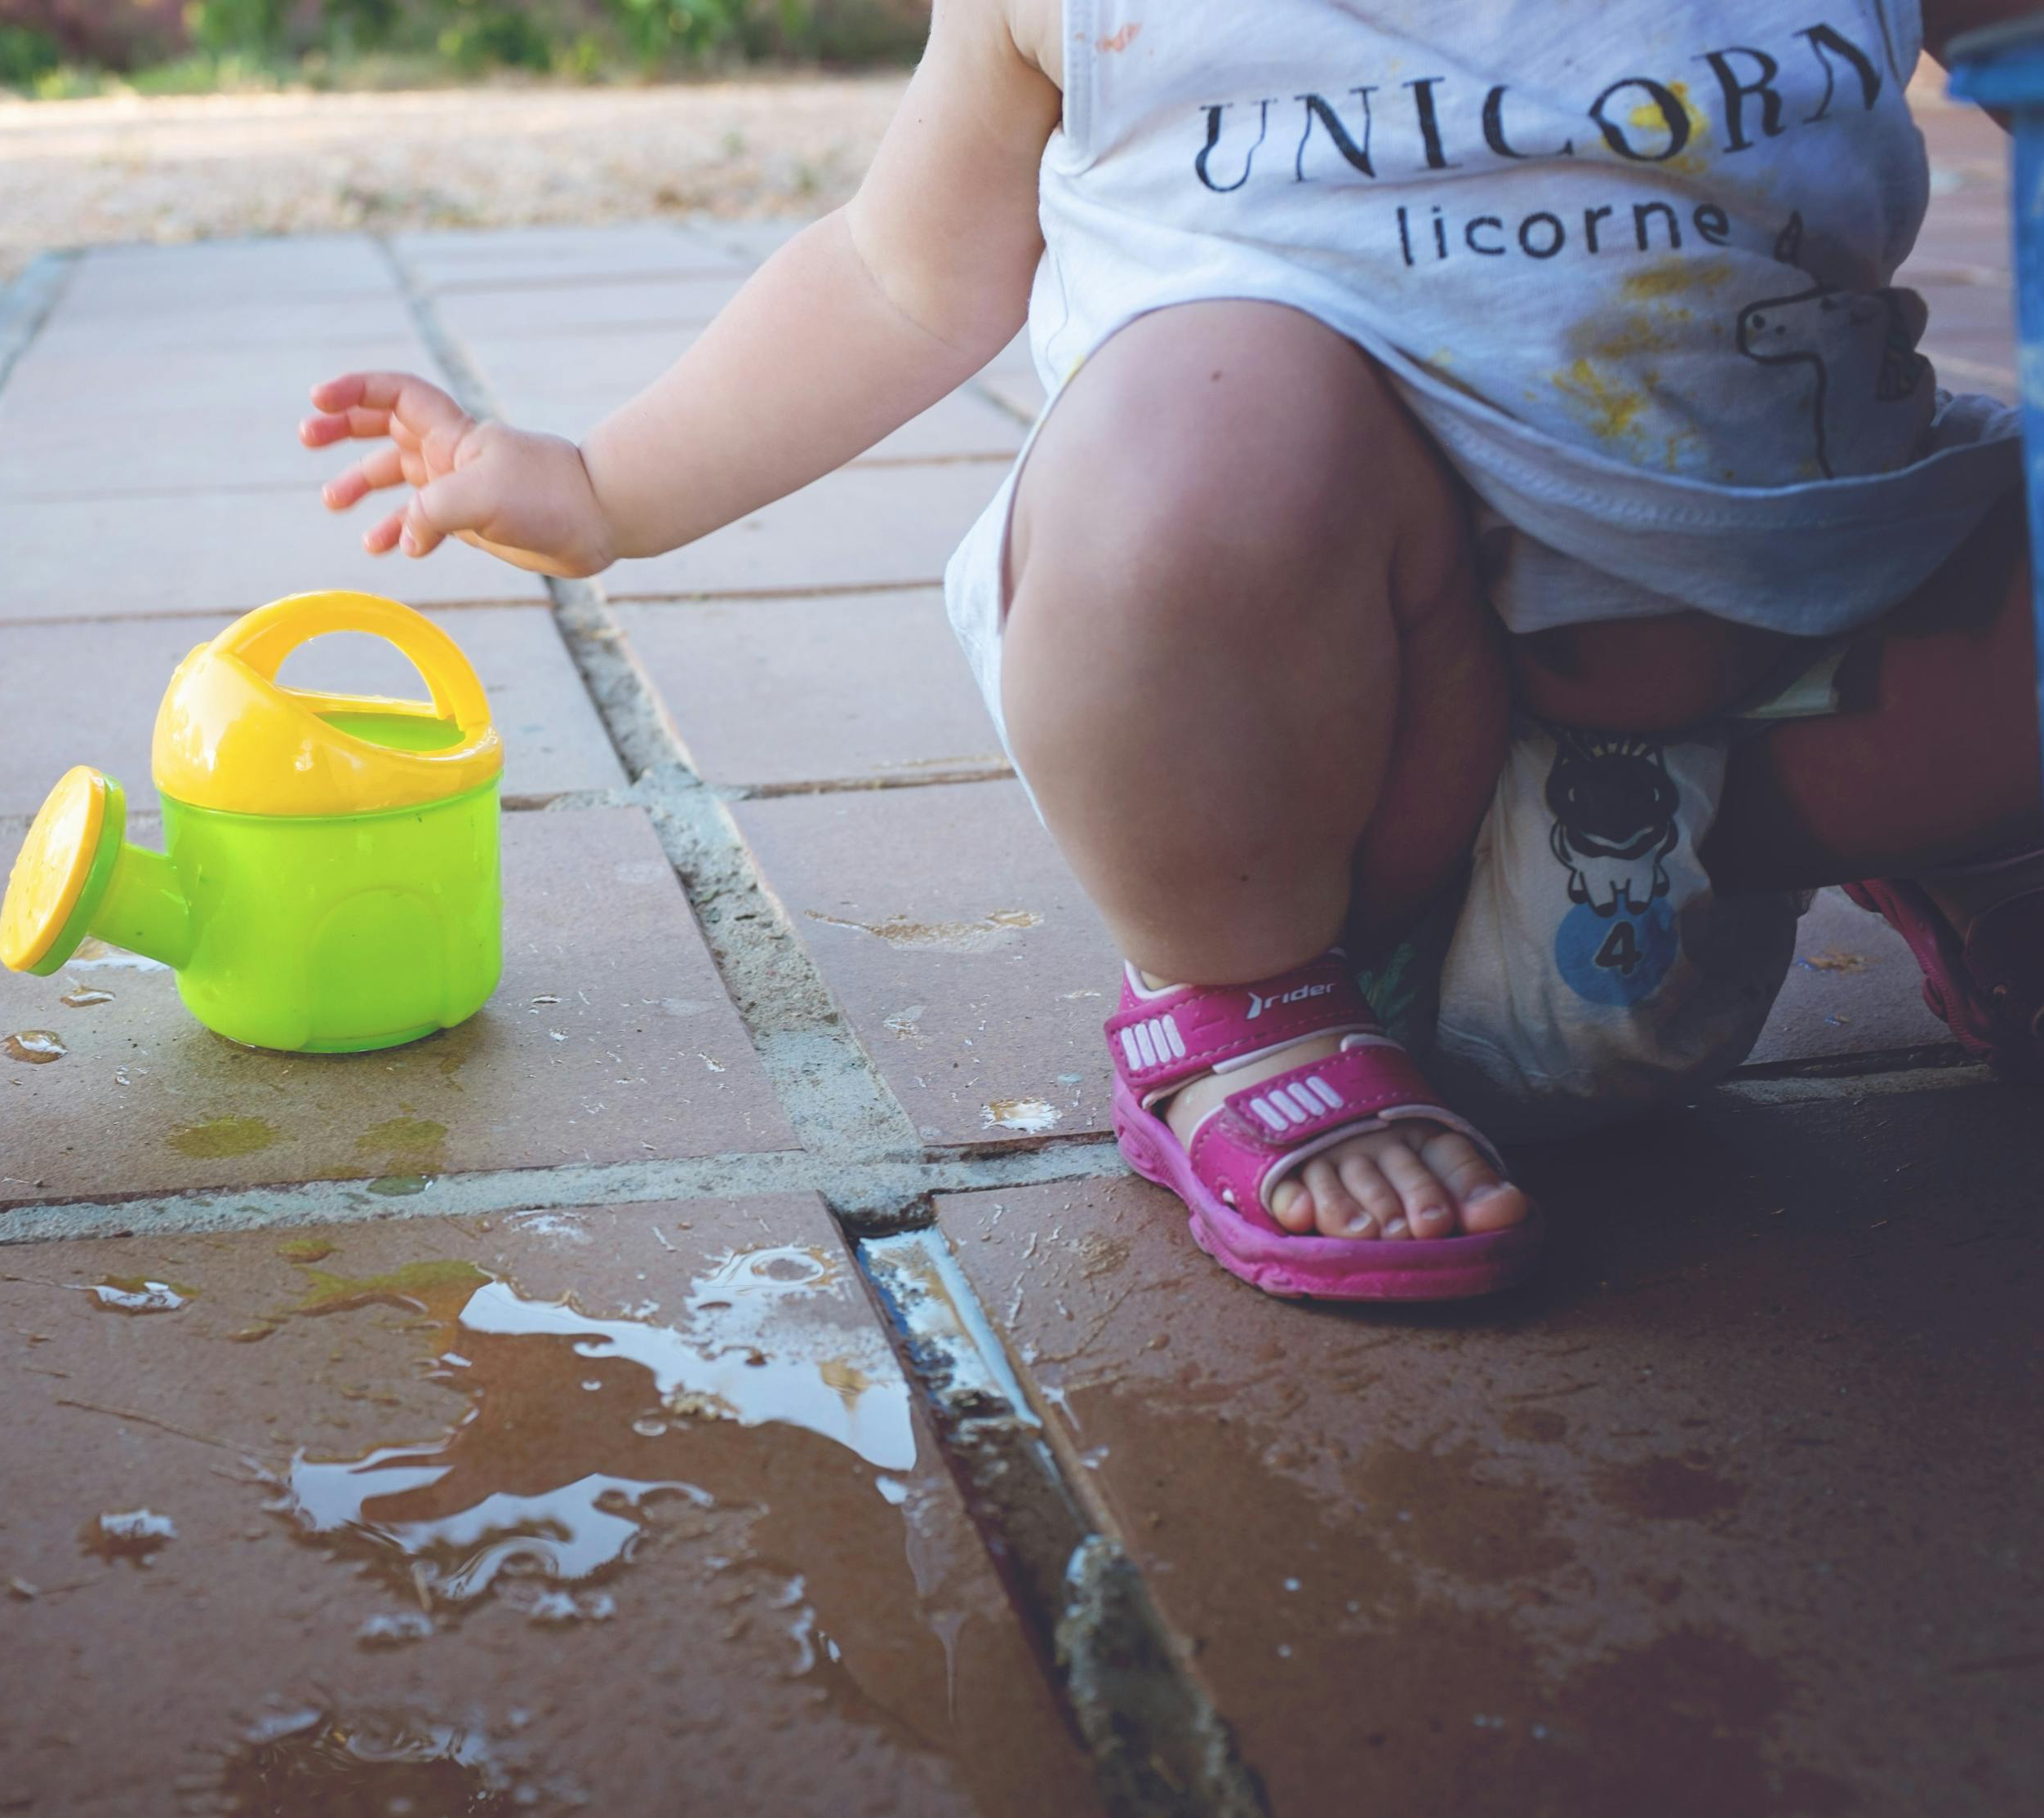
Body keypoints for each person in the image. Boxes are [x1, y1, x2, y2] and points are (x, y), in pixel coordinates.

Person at [301, 0, 2042, 1303]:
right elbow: (902, 276)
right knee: (1208, 400)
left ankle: (1964, 846)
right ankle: (1235, 1008)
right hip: (1362, 797)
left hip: (1782, 732)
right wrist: (607, 486)